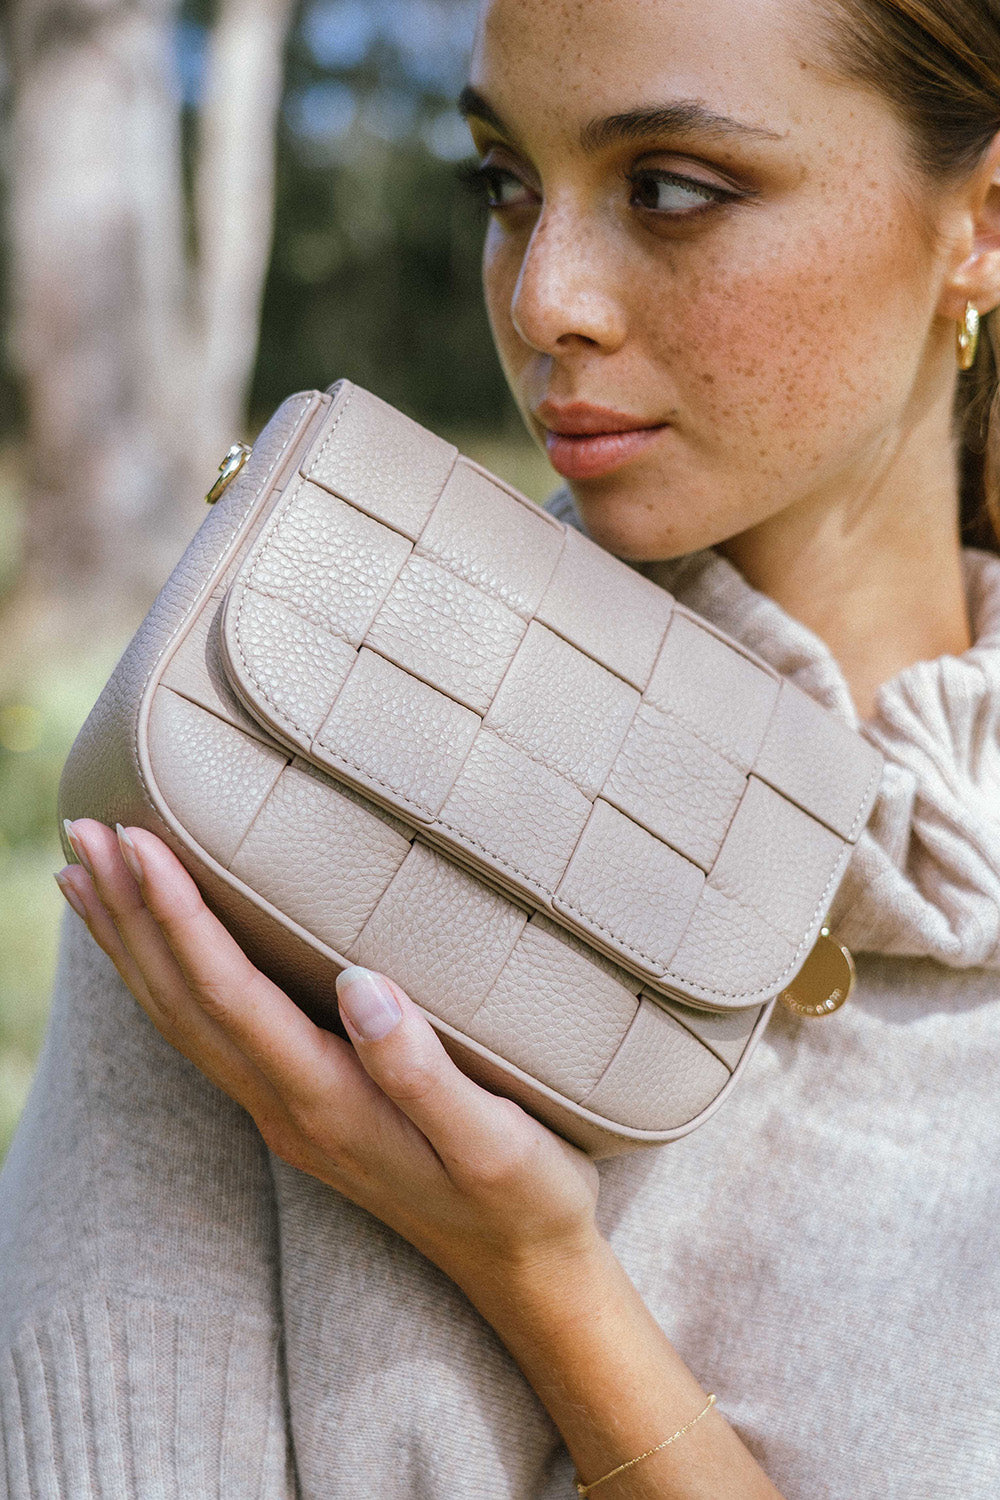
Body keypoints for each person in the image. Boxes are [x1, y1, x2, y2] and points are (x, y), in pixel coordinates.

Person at [3, 0, 1000, 1493]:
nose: (544, 298)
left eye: (670, 186)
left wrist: (540, 1278)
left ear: (979, 225)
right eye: (503, 183)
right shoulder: (273, 763)